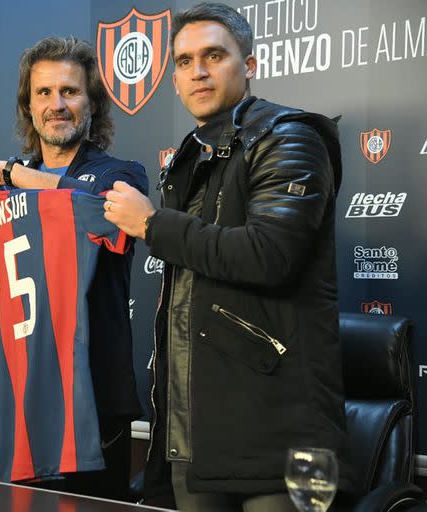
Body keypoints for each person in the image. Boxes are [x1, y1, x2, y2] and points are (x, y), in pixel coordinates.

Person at [103, 3, 351, 510]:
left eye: (214, 55)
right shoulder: (194, 155)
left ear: (250, 64)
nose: (197, 70)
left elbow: (269, 254)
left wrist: (152, 223)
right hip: (196, 433)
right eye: (184, 60)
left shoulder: (290, 137)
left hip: (277, 437)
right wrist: (15, 174)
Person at [0, 36, 148, 500]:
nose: (56, 104)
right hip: (20, 403)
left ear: (93, 102)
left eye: (70, 91)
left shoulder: (121, 175)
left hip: (94, 401)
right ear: (28, 105)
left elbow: (96, 209)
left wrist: (10, 174)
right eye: (43, 93)